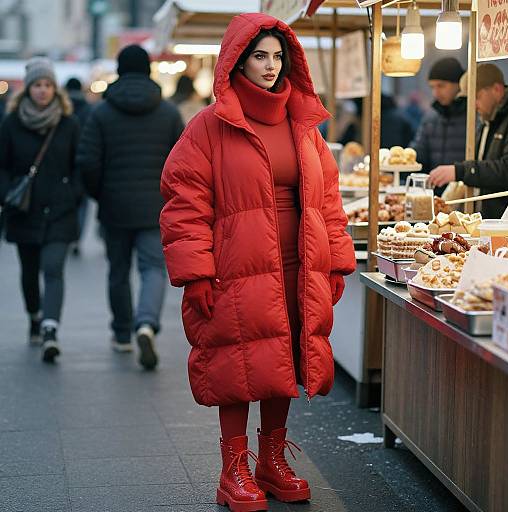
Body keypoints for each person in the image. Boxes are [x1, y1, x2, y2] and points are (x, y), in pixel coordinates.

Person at [160, 13, 356, 512]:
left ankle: (271, 459)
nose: (270, 67)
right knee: (235, 361)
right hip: (238, 264)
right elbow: (184, 201)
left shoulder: (303, 124)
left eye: (277, 56)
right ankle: (234, 470)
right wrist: (196, 272)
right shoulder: (209, 127)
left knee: (282, 358)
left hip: (298, 263)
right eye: (259, 56)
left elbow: (327, 199)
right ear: (237, 61)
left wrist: (335, 260)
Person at [76, 45, 184, 370]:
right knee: (152, 268)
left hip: (114, 207)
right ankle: (146, 323)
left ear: (120, 71)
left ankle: (122, 334)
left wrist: (100, 195)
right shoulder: (167, 112)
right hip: (155, 206)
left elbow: (87, 161)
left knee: (118, 271)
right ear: (148, 70)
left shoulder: (102, 112)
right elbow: (183, 162)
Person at [0, 57, 81, 362]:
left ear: (55, 89)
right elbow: (2, 165)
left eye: (48, 85)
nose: (43, 91)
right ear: (28, 89)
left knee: (53, 269)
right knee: (30, 272)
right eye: (37, 85)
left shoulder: (68, 123)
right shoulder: (11, 123)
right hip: (24, 210)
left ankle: (50, 329)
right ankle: (34, 315)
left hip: (60, 211)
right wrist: (8, 191)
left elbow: (79, 164)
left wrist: (72, 193)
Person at [429, 64, 508, 219]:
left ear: (497, 89)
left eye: (477, 97)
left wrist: (460, 171)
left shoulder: (507, 119)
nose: (473, 105)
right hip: (487, 219)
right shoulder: (487, 120)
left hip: (505, 222)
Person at [410, 57, 467, 195]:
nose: (436, 93)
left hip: (465, 197)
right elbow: (418, 154)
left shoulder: (474, 118)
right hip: (432, 197)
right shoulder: (430, 118)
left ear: (458, 84)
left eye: (441, 86)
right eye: (432, 87)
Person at [65, 77, 93, 256]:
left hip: (63, 164)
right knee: (82, 204)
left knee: (68, 203)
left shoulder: (62, 110)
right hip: (83, 163)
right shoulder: (90, 110)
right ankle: (77, 238)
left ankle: (68, 236)